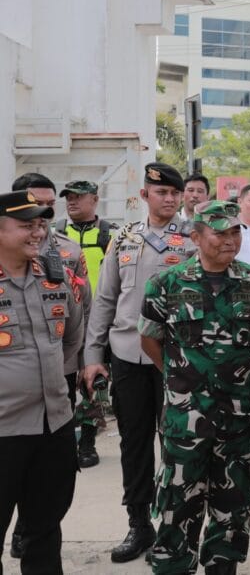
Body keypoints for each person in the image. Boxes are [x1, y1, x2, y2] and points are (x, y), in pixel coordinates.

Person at [138, 200, 250, 574]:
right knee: (179, 500)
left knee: (234, 501)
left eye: (235, 232)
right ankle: (175, 564)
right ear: (195, 237)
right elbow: (150, 340)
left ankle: (221, 566)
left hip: (240, 416)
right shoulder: (167, 284)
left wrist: (235, 372)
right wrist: (182, 378)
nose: (230, 240)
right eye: (219, 233)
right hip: (186, 418)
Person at [82, 162, 198, 563]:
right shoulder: (123, 238)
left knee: (177, 444)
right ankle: (139, 523)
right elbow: (105, 301)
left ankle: (176, 525)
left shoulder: (194, 239)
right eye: (160, 192)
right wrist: (93, 356)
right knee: (134, 446)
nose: (168, 199)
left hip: (175, 359)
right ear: (145, 195)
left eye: (174, 193)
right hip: (128, 356)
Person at [0, 190, 85, 575]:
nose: (37, 234)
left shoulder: (55, 276)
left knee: (45, 529)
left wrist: (46, 384)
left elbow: (72, 338)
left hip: (55, 427)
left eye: (40, 225)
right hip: (4, 431)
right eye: (26, 226)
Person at [54, 179, 117, 468]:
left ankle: (88, 443)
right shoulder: (55, 233)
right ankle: (64, 442)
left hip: (99, 321)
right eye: (68, 197)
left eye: (79, 197)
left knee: (94, 385)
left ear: (95, 199)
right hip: (65, 322)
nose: (72, 202)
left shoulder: (110, 235)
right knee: (64, 384)